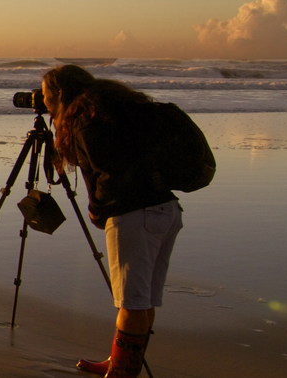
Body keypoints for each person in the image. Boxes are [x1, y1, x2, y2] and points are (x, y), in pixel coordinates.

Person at [41, 65, 182, 378]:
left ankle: (121, 373)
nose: (43, 99)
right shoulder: (114, 110)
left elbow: (109, 170)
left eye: (47, 94)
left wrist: (98, 209)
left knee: (131, 303)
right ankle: (120, 363)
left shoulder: (85, 119)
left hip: (134, 217)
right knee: (142, 301)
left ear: (61, 93)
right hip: (165, 209)